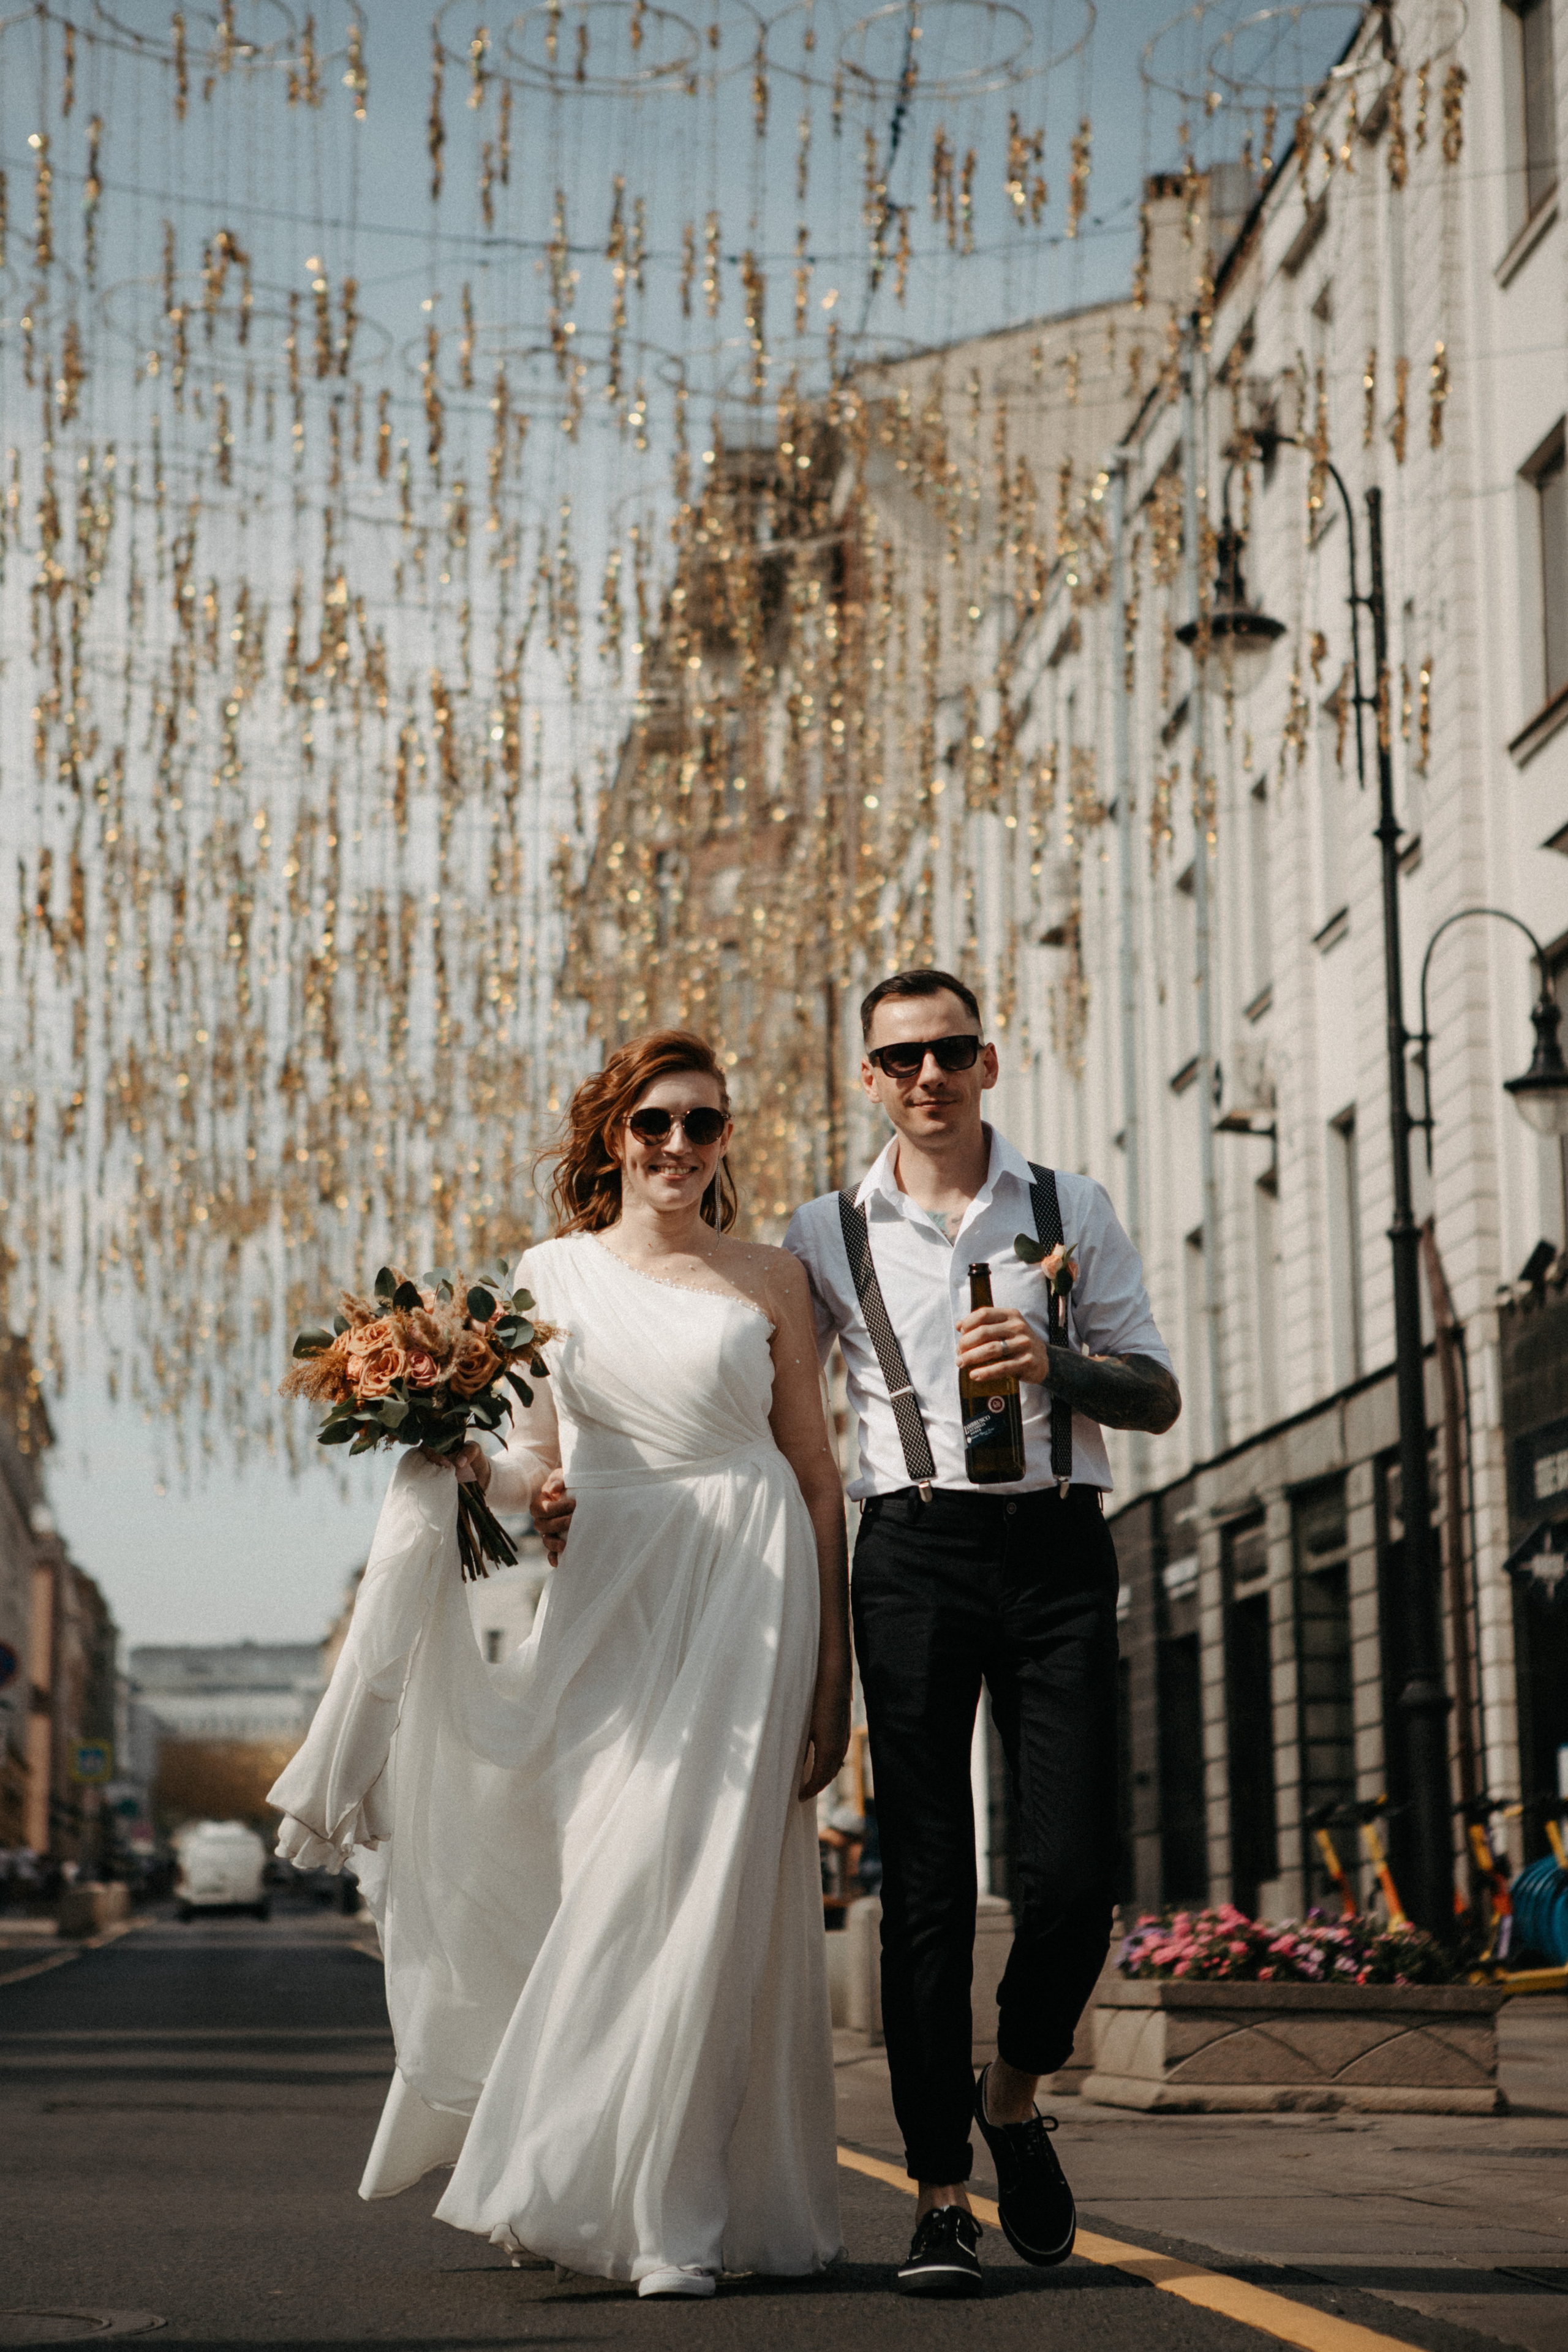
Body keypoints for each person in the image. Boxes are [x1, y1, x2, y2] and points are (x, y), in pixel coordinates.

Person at [270, 1029, 850, 2299]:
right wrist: (460, 1451)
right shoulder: (548, 1275)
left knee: (704, 1900)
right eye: (654, 1125)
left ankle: (671, 2220)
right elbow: (539, 1463)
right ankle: (573, 2166)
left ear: (725, 1142)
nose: (680, 1148)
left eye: (704, 1124)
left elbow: (815, 1474)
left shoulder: (773, 1278)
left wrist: (833, 1679)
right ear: (610, 1139)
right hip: (610, 1595)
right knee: (608, 1885)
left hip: (754, 1582)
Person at [784, 968, 1179, 2300]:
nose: (926, 1077)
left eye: (949, 1051)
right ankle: (939, 2197)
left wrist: (1052, 1363)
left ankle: (1013, 2094)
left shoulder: (1069, 1209)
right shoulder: (822, 1231)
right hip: (911, 1556)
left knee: (1072, 1880)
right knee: (927, 1897)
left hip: (1058, 1545)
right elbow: (752, 1394)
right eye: (899, 1059)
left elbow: (1157, 1395)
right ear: (868, 1078)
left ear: (988, 1060)